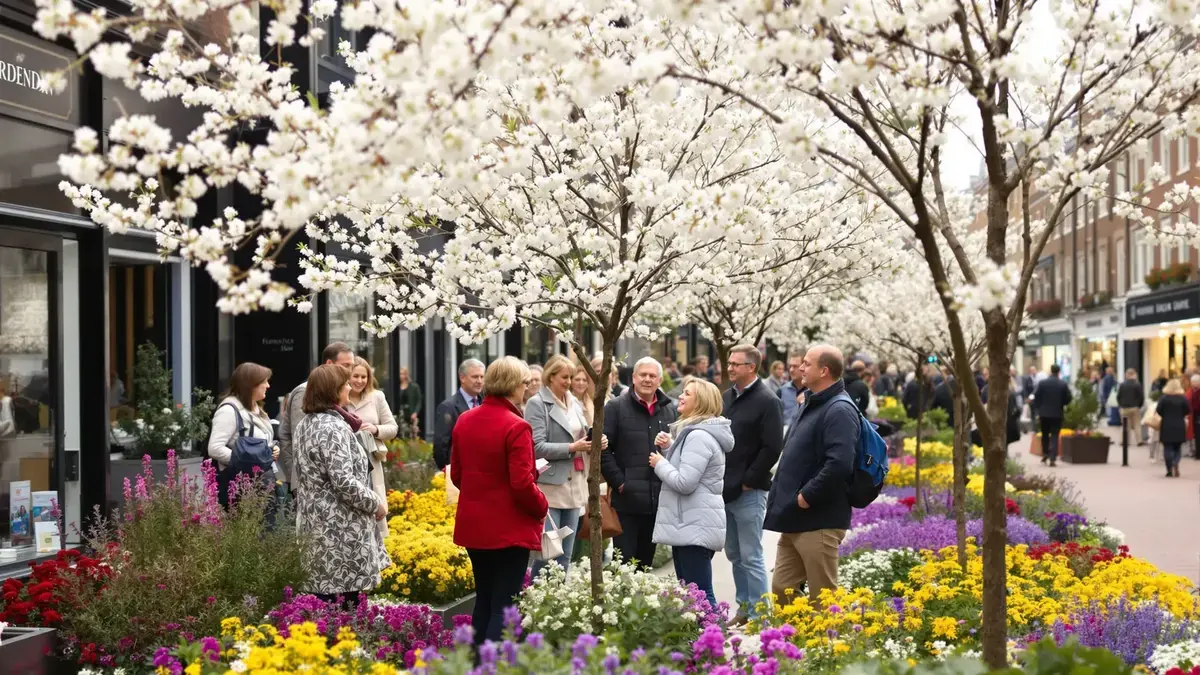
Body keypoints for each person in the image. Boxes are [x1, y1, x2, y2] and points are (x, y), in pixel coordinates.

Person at [451, 357, 548, 645]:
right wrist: (541, 504)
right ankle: (493, 665)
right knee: (505, 604)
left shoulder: (465, 420)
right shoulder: (516, 426)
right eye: (525, 384)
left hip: (474, 526)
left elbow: (457, 475)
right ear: (513, 386)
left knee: (485, 598)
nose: (527, 389)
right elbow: (521, 483)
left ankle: (476, 661)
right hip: (509, 529)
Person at [765, 344, 859, 605]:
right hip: (794, 517)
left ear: (824, 371)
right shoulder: (812, 402)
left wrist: (806, 496)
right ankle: (789, 644)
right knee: (782, 589)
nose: (799, 367)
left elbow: (839, 464)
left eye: (806, 363)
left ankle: (828, 645)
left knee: (824, 599)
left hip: (818, 519)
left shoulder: (839, 409)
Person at [293, 364, 391, 607]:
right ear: (333, 390)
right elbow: (344, 482)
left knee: (323, 603)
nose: (350, 387)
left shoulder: (306, 424)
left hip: (318, 524)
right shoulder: (332, 427)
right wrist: (374, 502)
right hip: (339, 531)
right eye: (345, 384)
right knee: (345, 605)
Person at [649, 378, 732, 611]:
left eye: (687, 393)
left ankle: (715, 638)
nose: (681, 396)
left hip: (695, 525)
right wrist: (670, 447)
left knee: (700, 594)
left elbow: (685, 482)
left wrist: (659, 463)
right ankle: (704, 640)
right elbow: (692, 467)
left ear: (701, 402)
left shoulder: (699, 436)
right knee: (691, 594)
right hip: (691, 524)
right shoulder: (696, 434)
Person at [526, 355, 606, 579]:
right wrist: (573, 447)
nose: (569, 382)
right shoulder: (537, 403)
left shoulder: (574, 402)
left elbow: (583, 434)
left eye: (571, 377)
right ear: (550, 377)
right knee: (548, 553)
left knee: (566, 555)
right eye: (564, 377)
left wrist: (595, 442)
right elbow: (536, 446)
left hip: (576, 484)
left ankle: (557, 605)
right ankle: (534, 603)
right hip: (550, 486)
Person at [721, 345, 783, 623]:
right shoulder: (726, 397)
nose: (730, 367)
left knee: (751, 555)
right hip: (726, 490)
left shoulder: (767, 400)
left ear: (752, 368)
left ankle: (761, 616)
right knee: (734, 554)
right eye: (729, 363)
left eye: (736, 364)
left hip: (749, 491)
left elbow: (772, 447)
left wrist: (749, 481)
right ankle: (744, 608)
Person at [600, 356, 678, 570]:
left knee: (645, 565)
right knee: (623, 565)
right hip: (627, 501)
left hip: (657, 501)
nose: (647, 379)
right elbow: (602, 449)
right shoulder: (615, 408)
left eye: (652, 376)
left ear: (659, 380)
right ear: (633, 378)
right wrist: (620, 483)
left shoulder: (668, 409)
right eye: (642, 374)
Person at [278, 342, 356, 494]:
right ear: (329, 363)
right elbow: (303, 442)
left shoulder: (336, 391)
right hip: (311, 484)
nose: (350, 371)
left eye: (352, 365)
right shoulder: (306, 392)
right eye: (346, 365)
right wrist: (295, 480)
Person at [208, 362, 279, 507]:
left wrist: (272, 449)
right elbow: (215, 448)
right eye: (264, 382)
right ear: (251, 385)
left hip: (263, 481)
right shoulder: (229, 410)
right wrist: (249, 463)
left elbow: (258, 443)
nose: (268, 386)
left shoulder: (257, 409)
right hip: (242, 485)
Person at [346, 357, 399, 541]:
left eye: (364, 377)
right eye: (355, 376)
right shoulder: (339, 398)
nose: (360, 381)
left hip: (372, 462)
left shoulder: (377, 397)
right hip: (346, 461)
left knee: (375, 506)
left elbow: (393, 428)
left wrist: (375, 430)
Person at [434, 359, 486, 470]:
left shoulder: (486, 404)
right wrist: (449, 472)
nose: (479, 381)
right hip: (459, 474)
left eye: (482, 377)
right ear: (462, 378)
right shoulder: (448, 407)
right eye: (475, 377)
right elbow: (441, 446)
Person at [1031, 364, 1072, 467]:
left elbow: (1036, 396)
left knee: (1045, 434)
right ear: (1058, 372)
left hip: (1044, 413)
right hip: (1057, 413)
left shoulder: (1043, 383)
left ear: (1051, 370)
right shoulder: (1062, 384)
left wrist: (1039, 408)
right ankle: (1052, 457)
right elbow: (1068, 398)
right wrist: (1062, 403)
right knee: (1054, 435)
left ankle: (1045, 453)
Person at [1156, 379, 1190, 477]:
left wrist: (1165, 415)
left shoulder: (1164, 398)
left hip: (1166, 425)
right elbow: (1188, 410)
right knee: (1177, 447)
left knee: (1167, 447)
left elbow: (1158, 410)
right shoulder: (1183, 398)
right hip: (1179, 424)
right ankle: (1176, 462)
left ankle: (1169, 468)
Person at [1116, 369, 1146, 447]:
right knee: (1137, 425)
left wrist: (1120, 405)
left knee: (1125, 425)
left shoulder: (1122, 385)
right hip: (1135, 407)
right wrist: (1139, 405)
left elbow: (1118, 396)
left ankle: (1124, 441)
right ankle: (1139, 440)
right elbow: (1141, 397)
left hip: (1124, 408)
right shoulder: (1137, 384)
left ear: (1127, 375)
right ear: (1134, 374)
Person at [778, 353, 805, 425]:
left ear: (804, 367)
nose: (791, 370)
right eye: (790, 366)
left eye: (795, 366)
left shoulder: (813, 391)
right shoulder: (781, 391)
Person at [397, 367, 422, 438]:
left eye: (402, 374)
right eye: (400, 374)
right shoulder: (396, 387)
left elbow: (419, 401)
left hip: (410, 415)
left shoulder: (414, 387)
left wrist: (415, 413)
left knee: (411, 434)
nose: (400, 376)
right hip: (400, 414)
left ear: (406, 375)